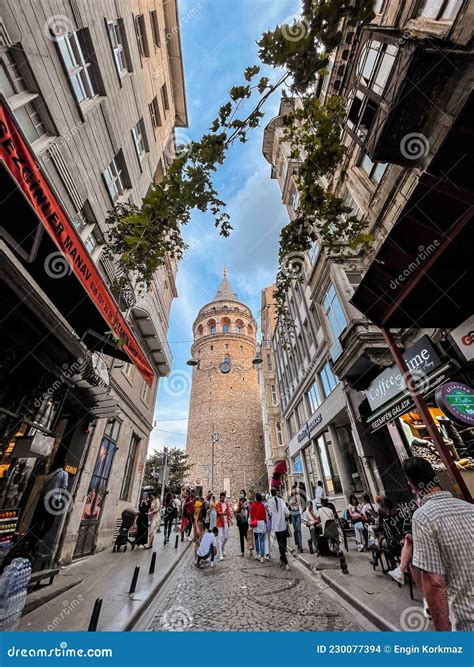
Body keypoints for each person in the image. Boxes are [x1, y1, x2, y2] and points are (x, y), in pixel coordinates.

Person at [401, 457, 474, 632]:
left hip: (465, 622)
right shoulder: (470, 508)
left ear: (412, 486)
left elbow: (434, 583)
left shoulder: (423, 517)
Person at [267, 488, 290, 570]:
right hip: (282, 525)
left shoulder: (269, 502)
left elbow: (269, 513)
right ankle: (284, 560)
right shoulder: (281, 500)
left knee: (280, 544)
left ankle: (283, 560)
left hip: (276, 527)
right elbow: (287, 512)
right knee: (283, 543)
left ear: (270, 493)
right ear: (276, 493)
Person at [250, 492, 267, 562]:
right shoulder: (262, 505)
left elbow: (251, 515)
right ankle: (262, 556)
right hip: (262, 523)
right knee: (262, 540)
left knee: (257, 539)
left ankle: (257, 553)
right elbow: (265, 515)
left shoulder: (253, 505)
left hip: (256, 523)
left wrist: (251, 522)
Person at [215, 491, 232, 560]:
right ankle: (220, 554)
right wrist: (223, 513)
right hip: (219, 522)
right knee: (220, 538)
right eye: (221, 497)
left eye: (223, 497)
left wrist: (230, 519)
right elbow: (218, 513)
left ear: (224, 497)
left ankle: (222, 547)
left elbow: (228, 512)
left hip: (226, 522)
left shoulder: (226, 504)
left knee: (226, 537)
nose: (222, 498)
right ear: (220, 497)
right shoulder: (218, 504)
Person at [288, 482, 304, 553]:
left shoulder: (298, 497)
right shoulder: (289, 498)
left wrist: (295, 502)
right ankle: (297, 544)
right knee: (295, 530)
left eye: (294, 491)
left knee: (299, 530)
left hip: (297, 514)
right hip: (292, 515)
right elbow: (289, 505)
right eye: (293, 491)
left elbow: (299, 503)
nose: (294, 492)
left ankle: (300, 545)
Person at [234, 490, 249, 557]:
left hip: (245, 521)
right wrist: (236, 514)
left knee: (246, 535)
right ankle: (242, 552)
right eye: (240, 493)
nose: (241, 494)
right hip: (240, 521)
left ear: (244, 494)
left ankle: (250, 549)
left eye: (242, 493)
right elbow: (236, 509)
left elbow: (248, 509)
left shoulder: (247, 501)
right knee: (241, 537)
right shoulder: (238, 501)